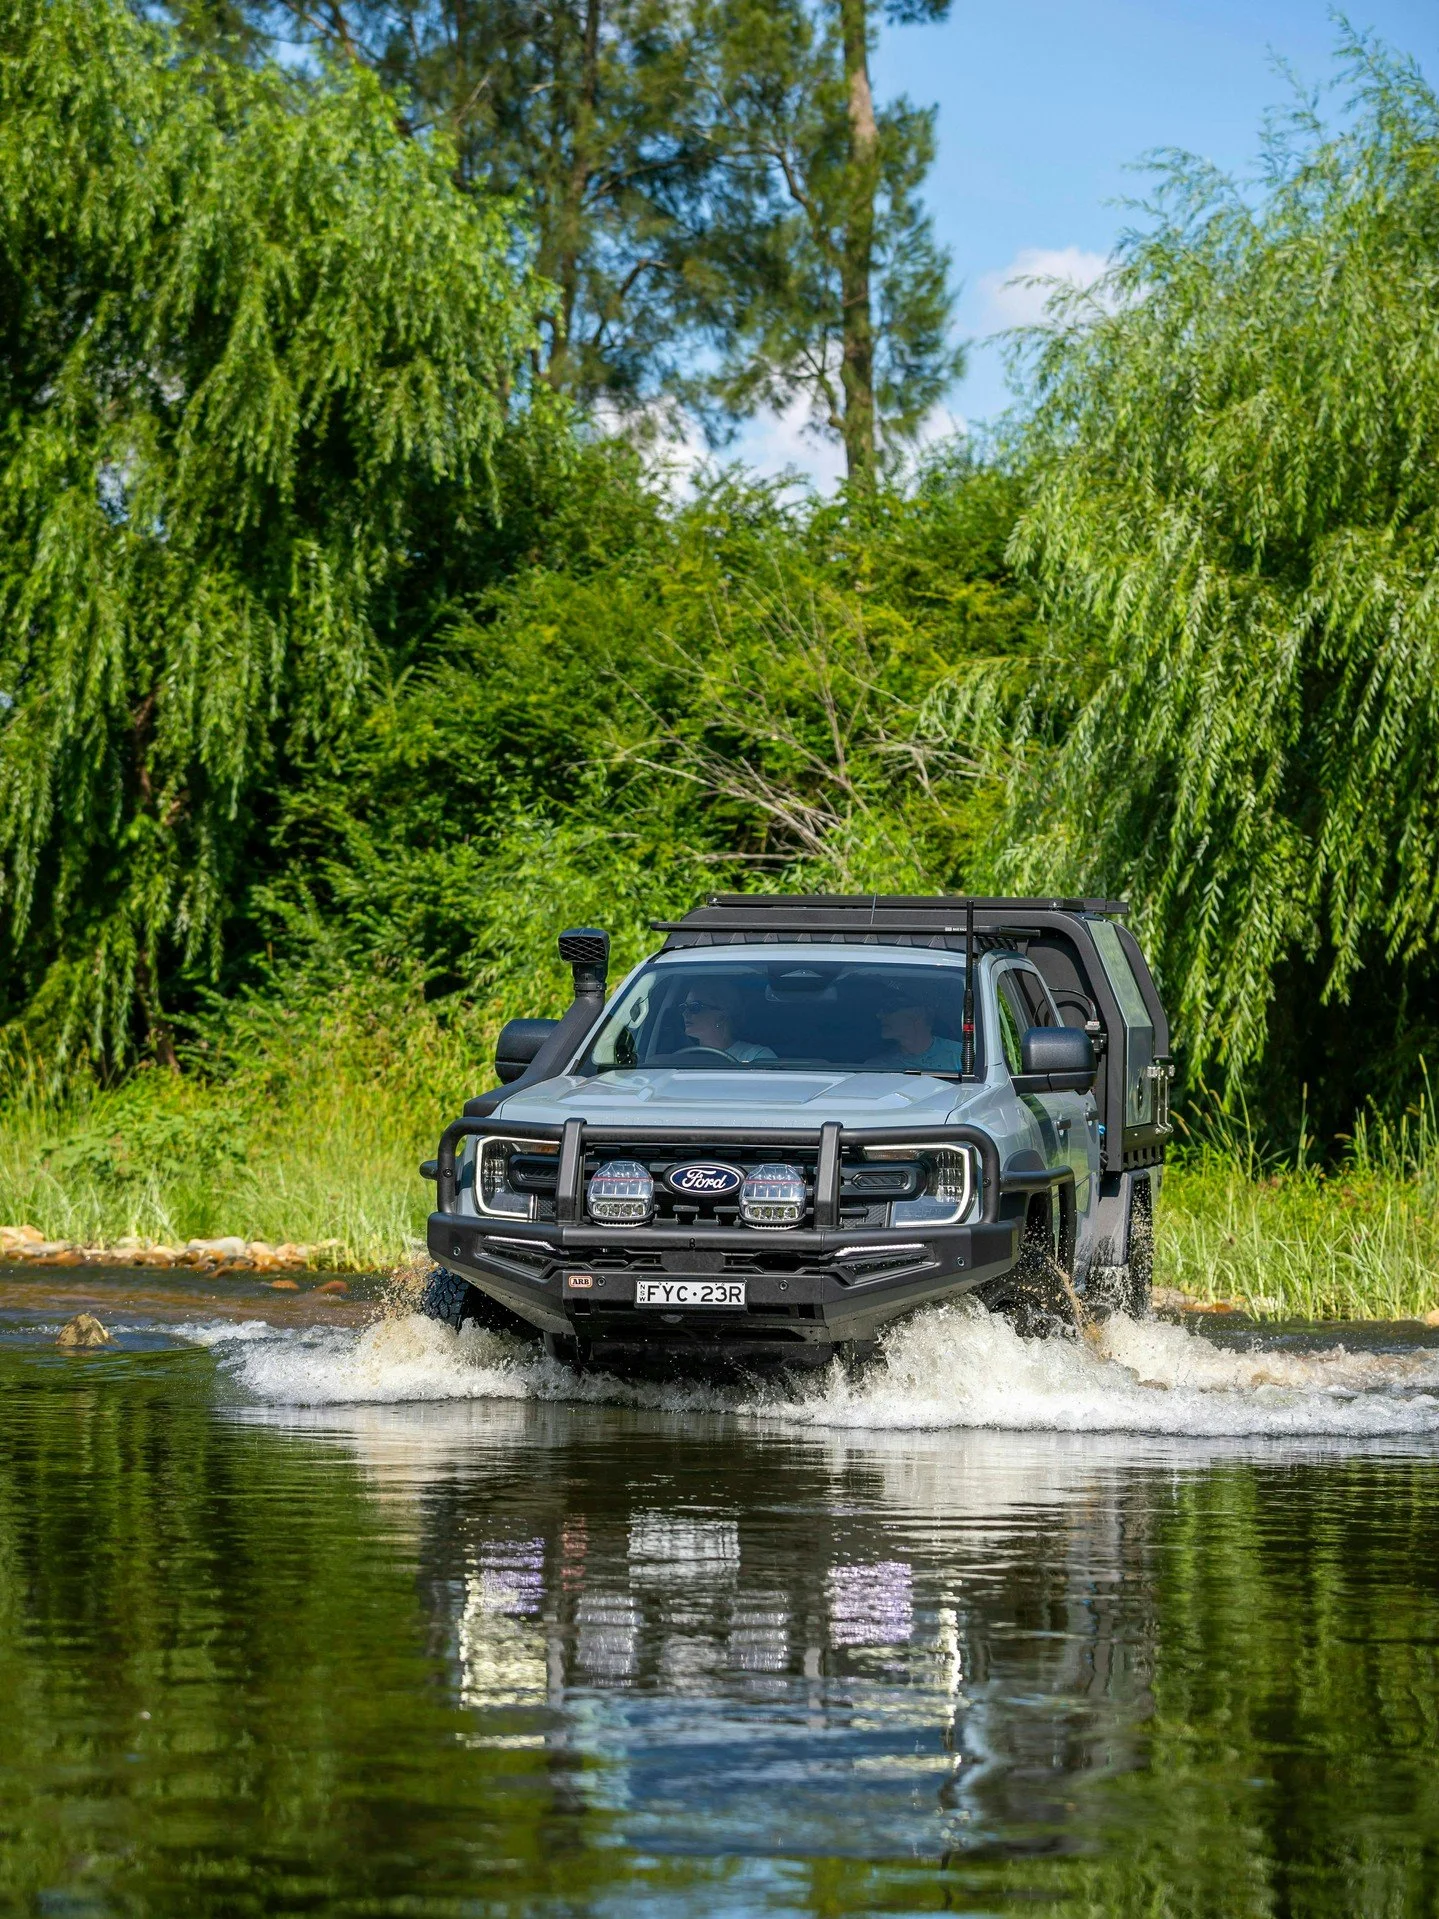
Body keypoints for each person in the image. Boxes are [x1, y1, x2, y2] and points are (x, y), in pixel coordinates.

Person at [866, 985, 965, 1073]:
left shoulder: (963, 1056)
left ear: (919, 1013)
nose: (879, 1015)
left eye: (889, 1008)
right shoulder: (875, 1067)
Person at [679, 983, 776, 1062]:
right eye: (684, 1007)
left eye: (694, 1007)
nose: (685, 1013)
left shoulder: (757, 1057)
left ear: (722, 1016)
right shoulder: (679, 1058)